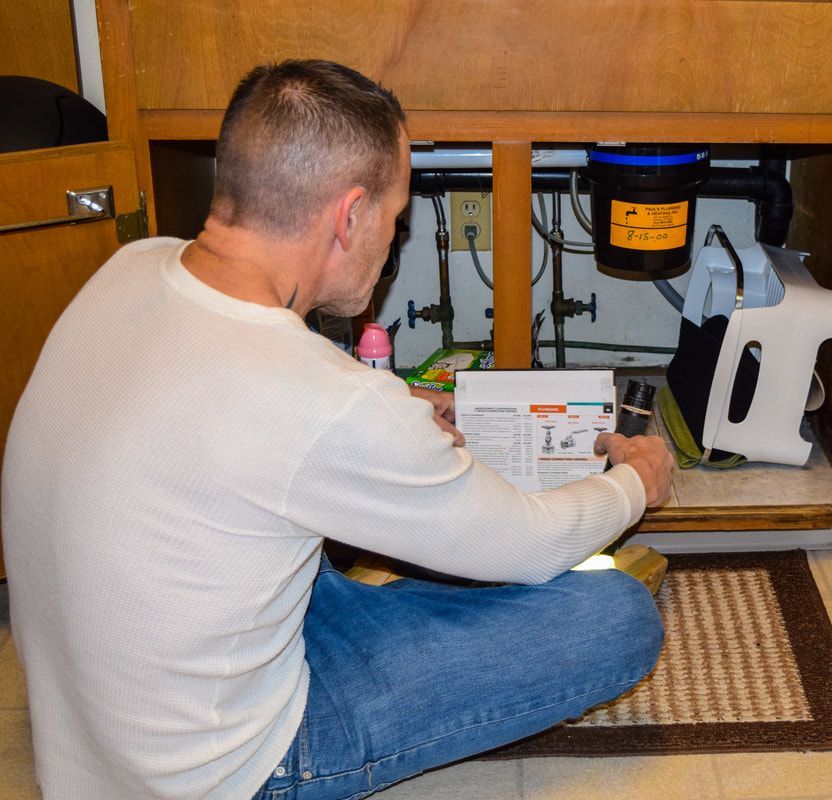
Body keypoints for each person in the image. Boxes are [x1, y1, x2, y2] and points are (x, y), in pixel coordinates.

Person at [1, 60, 674, 800]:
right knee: (612, 616)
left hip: (95, 737)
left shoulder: (132, 266)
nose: (393, 239)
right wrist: (634, 481)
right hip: (225, 773)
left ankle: (429, 571)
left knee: (305, 530)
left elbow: (244, 417)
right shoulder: (321, 402)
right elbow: (529, 541)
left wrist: (394, 417)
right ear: (348, 216)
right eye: (396, 218)